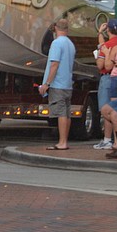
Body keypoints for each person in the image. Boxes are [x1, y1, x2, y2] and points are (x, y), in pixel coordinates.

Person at [39, 19, 75, 150]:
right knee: (66, 113)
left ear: (55, 28)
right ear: (67, 29)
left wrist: (47, 83)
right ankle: (65, 140)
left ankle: (62, 142)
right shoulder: (70, 44)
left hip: (58, 83)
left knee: (61, 113)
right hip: (67, 83)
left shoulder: (56, 43)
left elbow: (54, 64)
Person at [93, 19, 117, 150]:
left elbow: (100, 65)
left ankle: (107, 139)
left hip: (107, 77)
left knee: (106, 109)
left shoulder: (107, 45)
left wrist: (100, 33)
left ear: (108, 30)